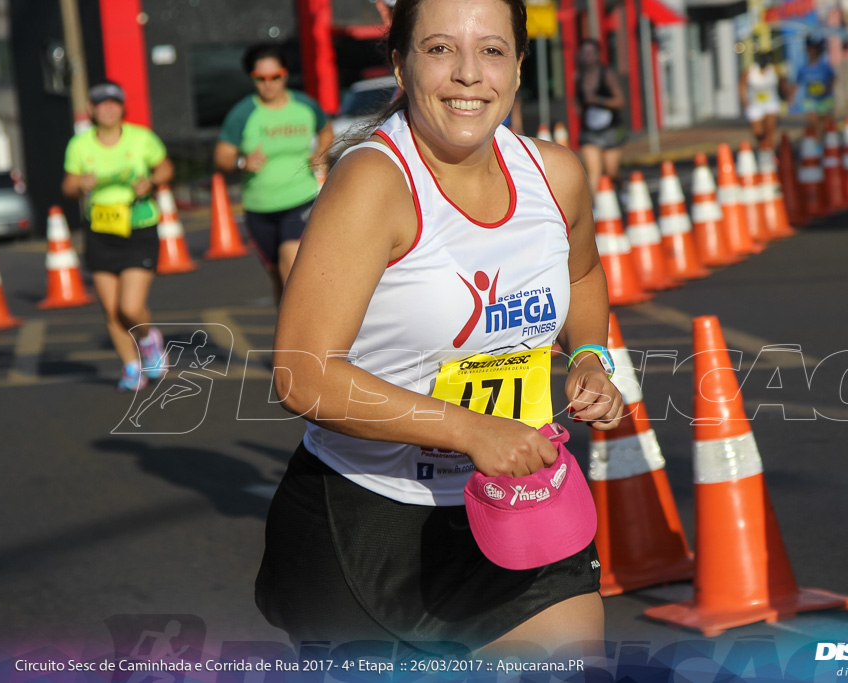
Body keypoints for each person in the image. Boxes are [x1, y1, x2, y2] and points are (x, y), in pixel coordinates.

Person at [255, 0, 624, 657]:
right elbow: (302, 374)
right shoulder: (373, 181)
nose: (467, 74)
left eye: (490, 50)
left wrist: (590, 355)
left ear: (517, 66)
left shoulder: (556, 174)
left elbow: (585, 272)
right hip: (373, 524)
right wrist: (471, 429)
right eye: (438, 49)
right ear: (400, 62)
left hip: (521, 503)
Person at [62, 82, 172, 392]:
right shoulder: (80, 145)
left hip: (139, 226)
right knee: (111, 310)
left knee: (129, 307)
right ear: (92, 110)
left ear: (122, 107)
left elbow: (165, 169)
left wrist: (150, 181)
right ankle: (131, 366)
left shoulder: (141, 138)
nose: (108, 108)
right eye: (101, 103)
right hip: (100, 230)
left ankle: (147, 339)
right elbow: (68, 187)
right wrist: (81, 183)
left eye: (114, 103)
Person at [214, 44, 333, 303]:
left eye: (275, 77)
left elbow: (326, 131)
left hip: (301, 200)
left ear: (285, 75)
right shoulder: (243, 114)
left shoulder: (304, 106)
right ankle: (288, 335)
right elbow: (222, 157)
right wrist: (243, 162)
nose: (269, 85)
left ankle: (310, 335)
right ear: (253, 78)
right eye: (261, 79)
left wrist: (320, 154)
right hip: (260, 208)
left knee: (291, 266)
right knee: (278, 277)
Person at [575, 37, 626, 197]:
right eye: (584, 53)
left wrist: (598, 100)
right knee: (593, 172)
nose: (587, 56)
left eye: (591, 52)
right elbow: (578, 102)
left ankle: (621, 188)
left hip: (611, 129)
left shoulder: (607, 74)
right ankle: (593, 211)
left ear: (598, 55)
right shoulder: (579, 77)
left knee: (611, 171)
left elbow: (620, 101)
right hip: (590, 131)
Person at [740, 49, 786, 147]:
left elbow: (783, 83)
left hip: (771, 103)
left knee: (770, 128)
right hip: (755, 104)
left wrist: (786, 96)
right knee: (758, 132)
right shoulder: (750, 71)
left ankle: (770, 150)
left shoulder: (774, 70)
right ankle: (762, 146)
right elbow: (741, 85)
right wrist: (744, 101)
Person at [795, 36, 836, 140]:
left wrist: (828, 88)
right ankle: (818, 144)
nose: (812, 51)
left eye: (814, 49)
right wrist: (790, 95)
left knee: (825, 125)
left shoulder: (824, 66)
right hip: (811, 100)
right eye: (810, 49)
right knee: (814, 123)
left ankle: (824, 144)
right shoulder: (803, 68)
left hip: (824, 99)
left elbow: (833, 78)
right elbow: (797, 83)